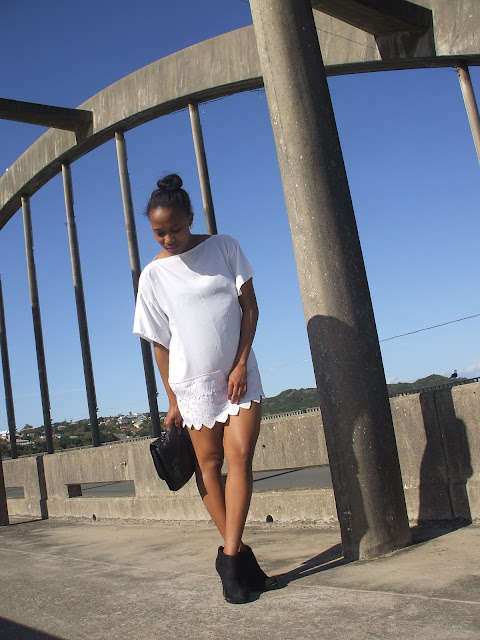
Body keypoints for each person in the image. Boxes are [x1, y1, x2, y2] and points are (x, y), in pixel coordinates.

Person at [133, 174, 277, 604]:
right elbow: (160, 345)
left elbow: (250, 308)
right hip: (192, 386)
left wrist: (240, 363)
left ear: (191, 218)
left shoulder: (225, 246)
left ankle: (229, 560)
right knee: (209, 466)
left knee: (241, 456)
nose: (169, 238)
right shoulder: (153, 276)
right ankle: (240, 558)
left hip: (238, 375)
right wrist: (172, 400)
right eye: (159, 232)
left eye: (175, 229)